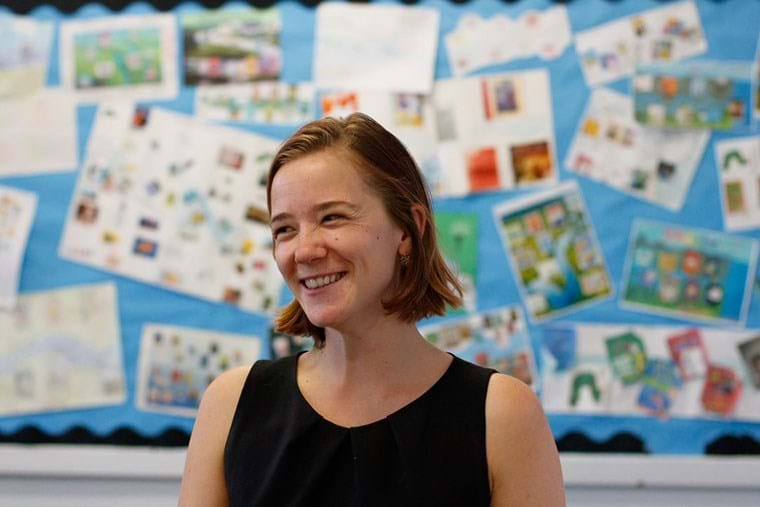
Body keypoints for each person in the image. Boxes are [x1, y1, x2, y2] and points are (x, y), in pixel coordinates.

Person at [178, 113, 565, 506]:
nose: (305, 250)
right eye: (285, 230)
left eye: (332, 218)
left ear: (407, 229)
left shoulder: (502, 416)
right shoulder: (232, 404)